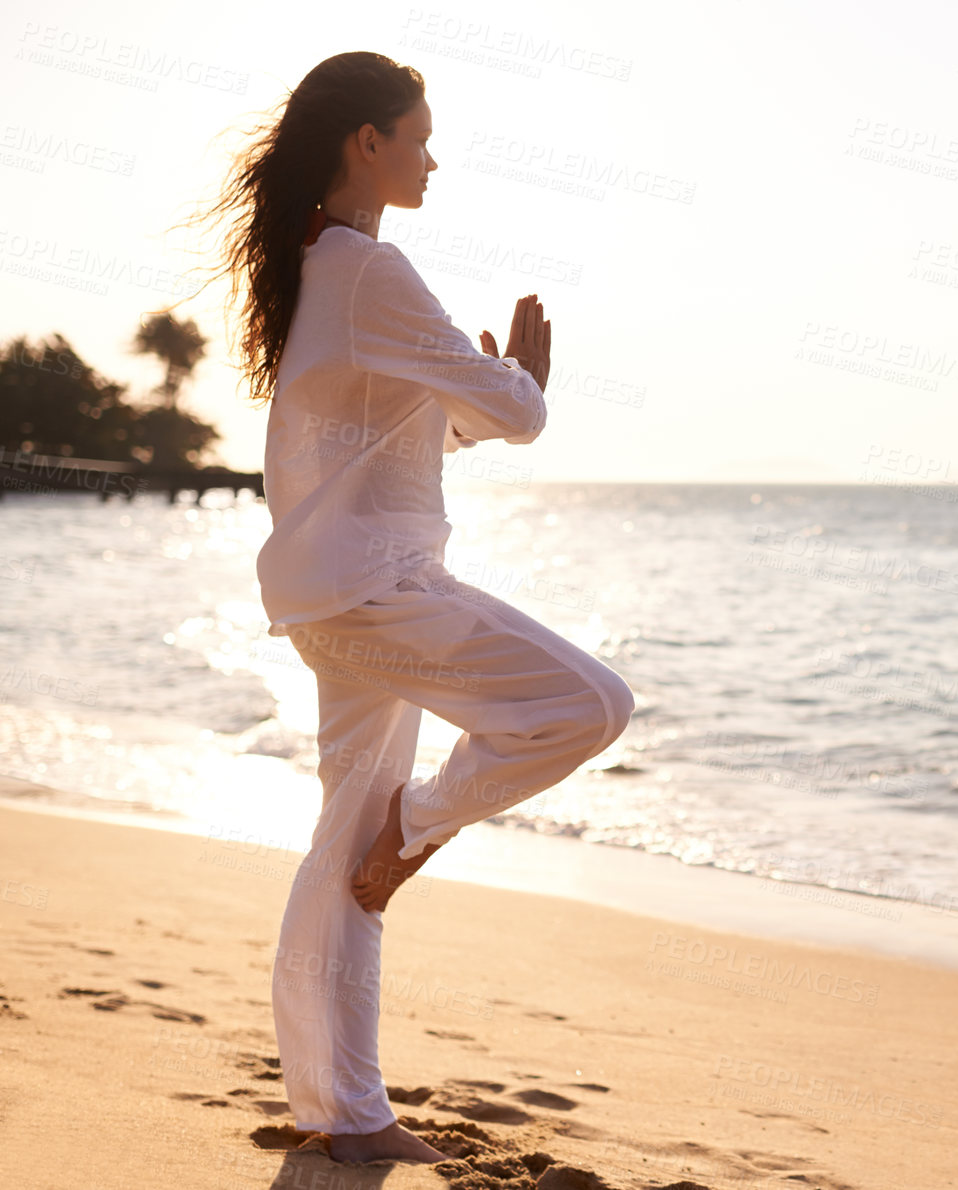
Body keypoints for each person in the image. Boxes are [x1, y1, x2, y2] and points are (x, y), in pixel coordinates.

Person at [178, 52, 635, 1164]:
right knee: (588, 706)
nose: (432, 155)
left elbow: (401, 429)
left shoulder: (314, 269)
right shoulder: (371, 270)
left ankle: (342, 1109)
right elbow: (515, 420)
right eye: (417, 134)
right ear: (364, 143)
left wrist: (481, 399)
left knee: (340, 846)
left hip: (328, 594)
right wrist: (523, 382)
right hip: (378, 588)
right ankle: (419, 825)